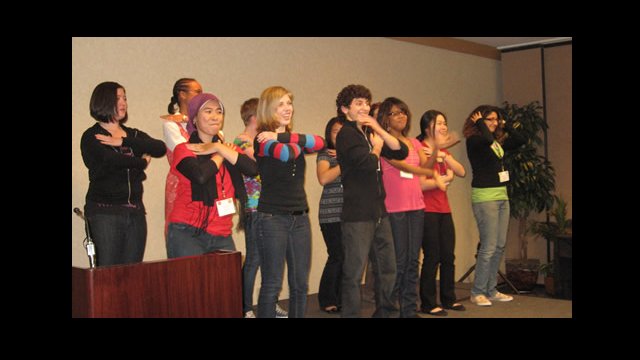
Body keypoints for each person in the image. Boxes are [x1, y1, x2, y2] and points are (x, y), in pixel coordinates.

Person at [335, 84, 408, 318]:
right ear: (345, 109)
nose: (365, 106)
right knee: (354, 274)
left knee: (388, 269)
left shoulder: (367, 132)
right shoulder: (346, 134)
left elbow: (400, 151)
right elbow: (366, 164)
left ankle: (387, 314)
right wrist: (376, 148)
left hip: (379, 211)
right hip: (357, 215)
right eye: (359, 103)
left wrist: (376, 127)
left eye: (367, 102)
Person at [254, 86, 325, 318]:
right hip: (273, 218)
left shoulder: (282, 137)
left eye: (289, 103)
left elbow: (320, 142)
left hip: (300, 218)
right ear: (268, 109)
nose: (287, 109)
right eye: (281, 104)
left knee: (300, 285)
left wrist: (283, 136)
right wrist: (294, 141)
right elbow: (287, 154)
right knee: (273, 284)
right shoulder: (262, 139)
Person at [80, 81, 166, 266]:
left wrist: (124, 142)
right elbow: (111, 161)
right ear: (103, 101)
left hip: (135, 211)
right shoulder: (91, 136)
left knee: (132, 273)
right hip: (105, 212)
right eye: (118, 98)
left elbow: (159, 148)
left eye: (125, 98)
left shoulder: (132, 134)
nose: (123, 103)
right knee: (108, 274)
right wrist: (141, 162)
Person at [166, 93, 257, 258]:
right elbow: (200, 176)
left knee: (227, 283)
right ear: (194, 119)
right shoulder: (184, 149)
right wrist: (220, 152)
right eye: (208, 111)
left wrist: (220, 148)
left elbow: (252, 169)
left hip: (221, 234)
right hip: (186, 231)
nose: (215, 116)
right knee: (191, 284)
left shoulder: (229, 150)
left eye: (219, 112)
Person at [377, 97, 437, 318]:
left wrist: (438, 146)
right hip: (394, 209)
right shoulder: (384, 142)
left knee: (413, 261)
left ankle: (409, 311)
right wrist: (423, 171)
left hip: (416, 206)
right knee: (398, 263)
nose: (401, 116)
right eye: (395, 113)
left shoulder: (413, 142)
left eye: (403, 112)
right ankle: (388, 311)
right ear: (385, 118)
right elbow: (404, 166)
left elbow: (427, 166)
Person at [463, 105, 525, 306]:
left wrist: (505, 124)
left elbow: (520, 140)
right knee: (488, 246)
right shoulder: (475, 141)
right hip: (485, 197)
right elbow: (487, 139)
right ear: (478, 121)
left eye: (495, 120)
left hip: (501, 195)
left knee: (499, 245)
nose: (493, 123)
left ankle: (491, 289)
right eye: (488, 119)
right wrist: (480, 123)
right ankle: (478, 291)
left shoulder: (498, 143)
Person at [233, 97, 288, 318]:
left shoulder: (260, 141)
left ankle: (268, 303)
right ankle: (245, 307)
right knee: (254, 258)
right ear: (255, 117)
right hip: (255, 208)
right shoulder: (243, 141)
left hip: (270, 206)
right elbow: (260, 168)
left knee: (270, 259)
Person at [416, 110, 466, 316]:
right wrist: (444, 179)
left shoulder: (443, 152)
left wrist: (444, 156)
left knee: (448, 256)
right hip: (427, 209)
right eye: (439, 123)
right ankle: (428, 303)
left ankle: (448, 298)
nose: (444, 127)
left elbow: (460, 172)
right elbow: (420, 183)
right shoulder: (419, 148)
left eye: (445, 123)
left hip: (444, 209)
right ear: (428, 127)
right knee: (432, 256)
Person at [162, 78, 203, 238]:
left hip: (205, 182)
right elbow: (186, 152)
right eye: (197, 91)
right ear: (182, 95)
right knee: (182, 235)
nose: (201, 95)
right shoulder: (171, 124)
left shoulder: (206, 124)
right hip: (180, 183)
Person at [316, 116, 345, 314]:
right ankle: (327, 298)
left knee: (348, 257)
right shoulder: (325, 154)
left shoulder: (356, 154)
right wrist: (344, 161)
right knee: (337, 255)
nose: (340, 136)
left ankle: (342, 298)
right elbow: (324, 178)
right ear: (329, 134)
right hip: (331, 214)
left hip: (352, 214)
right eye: (336, 132)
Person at [361, 102, 381, 304]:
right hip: (365, 202)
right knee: (366, 252)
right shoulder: (363, 139)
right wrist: (376, 149)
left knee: (385, 253)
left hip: (385, 199)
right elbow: (367, 165)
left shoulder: (385, 138)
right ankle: (369, 292)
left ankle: (384, 294)